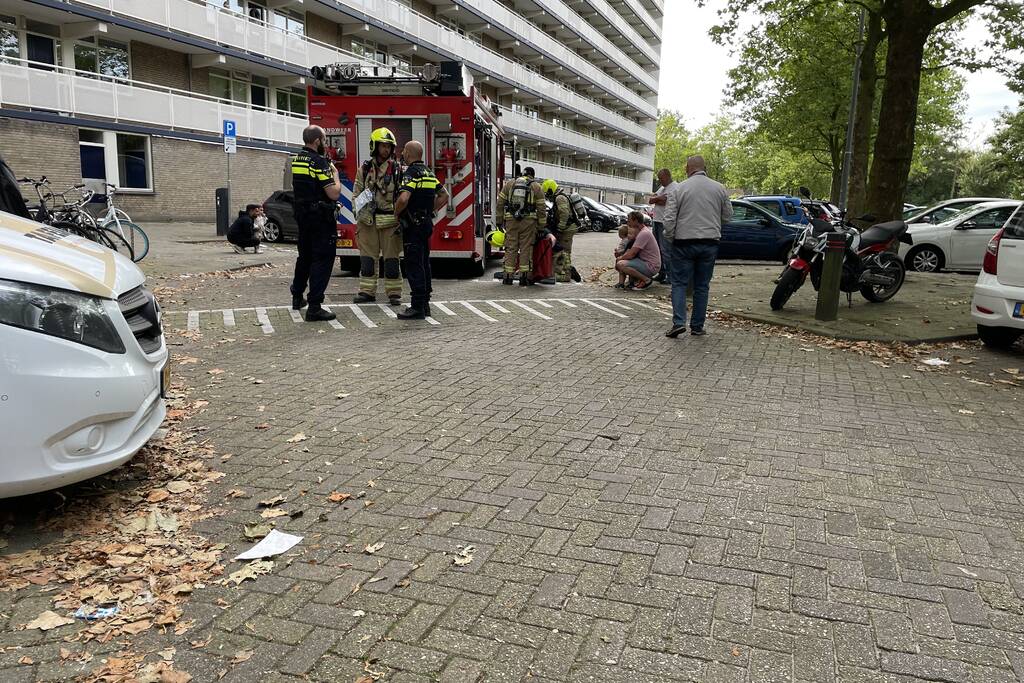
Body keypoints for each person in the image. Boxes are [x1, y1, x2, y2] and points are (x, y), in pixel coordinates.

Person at [662, 155, 733, 338]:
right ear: (704, 168)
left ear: (689, 168)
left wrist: (670, 238)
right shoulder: (719, 188)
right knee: (702, 286)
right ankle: (697, 326)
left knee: (679, 283)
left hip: (683, 242)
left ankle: (678, 322)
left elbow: (669, 219)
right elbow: (727, 216)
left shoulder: (679, 189)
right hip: (709, 242)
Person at [290, 125, 341, 322]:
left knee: (305, 257)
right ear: (317, 141)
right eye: (325, 139)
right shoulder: (319, 162)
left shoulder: (297, 159)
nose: (326, 143)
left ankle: (297, 296)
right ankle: (315, 306)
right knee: (322, 259)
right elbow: (333, 193)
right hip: (320, 218)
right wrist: (335, 175)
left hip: (303, 217)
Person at [394, 140, 449, 320]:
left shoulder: (411, 173)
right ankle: (425, 304)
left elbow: (404, 198)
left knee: (414, 264)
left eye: (404, 152)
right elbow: (444, 195)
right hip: (425, 223)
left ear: (409, 154)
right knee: (424, 263)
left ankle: (417, 307)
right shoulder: (428, 173)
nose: (402, 155)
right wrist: (429, 210)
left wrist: (396, 214)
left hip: (412, 226)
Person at [353, 127, 403, 306]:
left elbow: (402, 196)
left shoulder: (397, 170)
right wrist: (358, 212)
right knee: (367, 260)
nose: (386, 150)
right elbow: (356, 193)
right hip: (367, 222)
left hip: (390, 223)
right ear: (375, 146)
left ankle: (394, 293)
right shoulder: (364, 169)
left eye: (389, 147)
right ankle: (366, 292)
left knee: (391, 261)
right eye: (383, 146)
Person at [496, 167, 546, 286]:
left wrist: (499, 220)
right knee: (526, 248)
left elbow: (500, 203)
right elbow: (541, 209)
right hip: (528, 222)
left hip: (511, 220)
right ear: (532, 176)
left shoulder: (510, 184)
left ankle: (508, 277)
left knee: (510, 247)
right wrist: (541, 227)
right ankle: (524, 278)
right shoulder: (536, 187)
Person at [615, 211, 661, 290]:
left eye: (629, 220)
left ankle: (647, 280)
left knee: (621, 264)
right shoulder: (643, 231)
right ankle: (634, 281)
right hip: (646, 262)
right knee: (622, 262)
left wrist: (620, 258)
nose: (628, 222)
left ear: (636, 221)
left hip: (651, 266)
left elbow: (632, 254)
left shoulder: (644, 233)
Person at [542, 179, 577, 283]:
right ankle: (564, 271)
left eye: (546, 193)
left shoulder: (560, 198)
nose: (547, 196)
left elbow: (564, 214)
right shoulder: (559, 197)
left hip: (567, 229)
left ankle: (566, 275)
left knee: (565, 252)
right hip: (567, 228)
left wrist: (559, 229)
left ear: (550, 190)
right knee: (561, 251)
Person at [648, 168, 676, 282]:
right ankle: (661, 272)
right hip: (656, 221)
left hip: (665, 222)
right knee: (657, 249)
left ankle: (670, 275)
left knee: (666, 250)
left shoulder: (675, 187)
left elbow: (665, 200)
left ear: (668, 176)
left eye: (661, 178)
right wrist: (658, 199)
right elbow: (651, 200)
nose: (660, 181)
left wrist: (658, 199)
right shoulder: (662, 188)